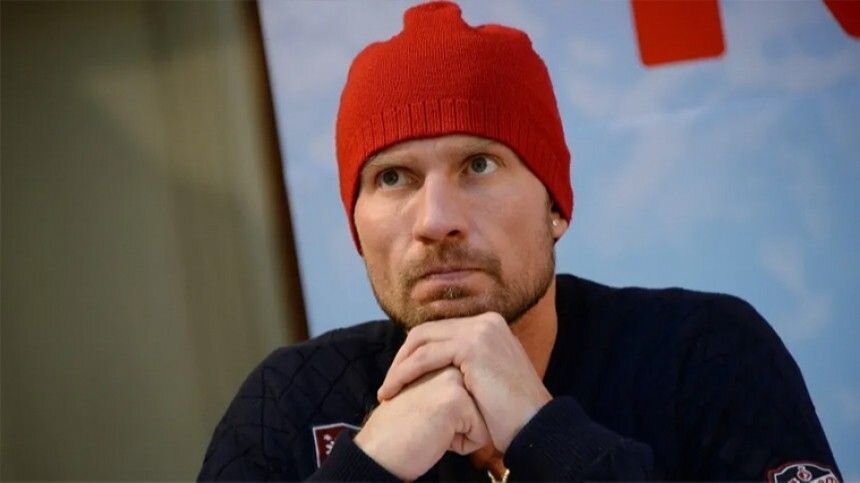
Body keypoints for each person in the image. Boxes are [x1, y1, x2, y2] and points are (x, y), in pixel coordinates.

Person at [198, 2, 841, 481]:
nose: (436, 220)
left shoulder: (704, 355)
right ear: (358, 228)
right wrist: (367, 469)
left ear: (555, 205)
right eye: (393, 177)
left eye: (478, 165)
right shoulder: (289, 403)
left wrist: (546, 433)